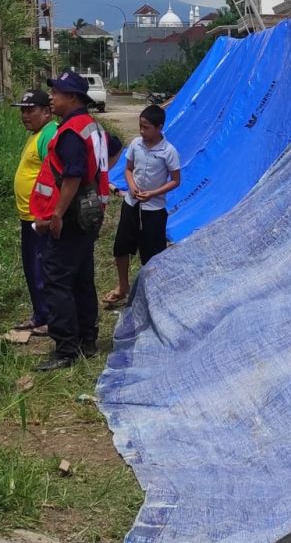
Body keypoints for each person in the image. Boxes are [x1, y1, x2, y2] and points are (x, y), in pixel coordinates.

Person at [29, 71, 111, 371]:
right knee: (81, 279)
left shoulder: (71, 132)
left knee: (57, 281)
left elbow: (73, 175)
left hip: (71, 217)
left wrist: (58, 215)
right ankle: (87, 339)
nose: (52, 96)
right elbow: (110, 153)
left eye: (57, 92)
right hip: (88, 214)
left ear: (73, 98)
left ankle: (66, 348)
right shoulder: (92, 127)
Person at [109, 104, 181, 307]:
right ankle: (123, 286)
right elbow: (128, 169)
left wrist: (153, 194)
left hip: (154, 210)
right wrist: (131, 187)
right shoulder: (135, 144)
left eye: (146, 127)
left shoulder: (169, 152)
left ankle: (151, 293)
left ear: (159, 128)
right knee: (121, 247)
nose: (142, 131)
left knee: (152, 254)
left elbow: (176, 180)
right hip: (131, 204)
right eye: (140, 126)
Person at [11, 88, 59, 335]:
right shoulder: (37, 133)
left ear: (47, 112)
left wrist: (47, 214)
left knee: (42, 268)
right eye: (22, 110)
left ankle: (50, 317)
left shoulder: (49, 134)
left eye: (30, 110)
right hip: (28, 217)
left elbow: (53, 178)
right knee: (32, 268)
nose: (25, 115)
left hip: (40, 218)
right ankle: (40, 315)